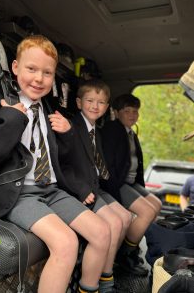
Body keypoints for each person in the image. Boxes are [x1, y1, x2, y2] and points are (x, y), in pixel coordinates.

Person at [0, 35, 113, 293]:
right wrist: (11, 120)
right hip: (19, 193)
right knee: (66, 242)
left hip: (52, 190)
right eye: (31, 69)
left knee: (102, 232)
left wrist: (68, 134)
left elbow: (69, 162)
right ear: (15, 68)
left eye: (47, 73)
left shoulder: (50, 111)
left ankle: (89, 289)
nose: (38, 79)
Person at [58, 79, 132, 292]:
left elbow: (97, 165)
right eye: (90, 100)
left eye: (101, 102)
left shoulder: (95, 131)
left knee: (125, 217)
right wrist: (81, 190)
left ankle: (106, 272)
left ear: (107, 108)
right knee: (114, 224)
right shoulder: (72, 125)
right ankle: (102, 282)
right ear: (79, 103)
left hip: (94, 187)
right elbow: (62, 165)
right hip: (78, 189)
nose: (95, 106)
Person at [100, 94, 162, 275]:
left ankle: (132, 247)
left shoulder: (131, 132)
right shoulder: (113, 130)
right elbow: (109, 166)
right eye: (127, 111)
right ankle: (124, 255)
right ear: (117, 112)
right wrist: (116, 196)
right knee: (147, 212)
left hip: (131, 182)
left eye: (135, 111)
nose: (132, 115)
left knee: (157, 205)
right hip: (117, 183)